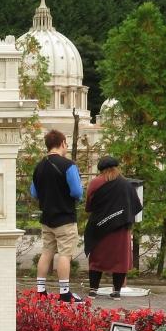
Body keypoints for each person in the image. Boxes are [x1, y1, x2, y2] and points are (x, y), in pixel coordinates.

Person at [30, 129, 84, 302]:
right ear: (62, 143)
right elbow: (77, 192)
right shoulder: (68, 165)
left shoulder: (39, 166)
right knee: (65, 255)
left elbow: (34, 192)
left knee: (46, 252)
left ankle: (40, 291)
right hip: (65, 218)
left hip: (47, 218)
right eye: (66, 144)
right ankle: (64, 293)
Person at [84, 156, 143, 299]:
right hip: (121, 227)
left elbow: (89, 206)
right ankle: (117, 291)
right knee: (120, 260)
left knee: (97, 258)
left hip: (99, 227)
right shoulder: (126, 184)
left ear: (101, 169)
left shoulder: (95, 183)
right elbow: (135, 205)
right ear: (117, 167)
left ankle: (93, 290)